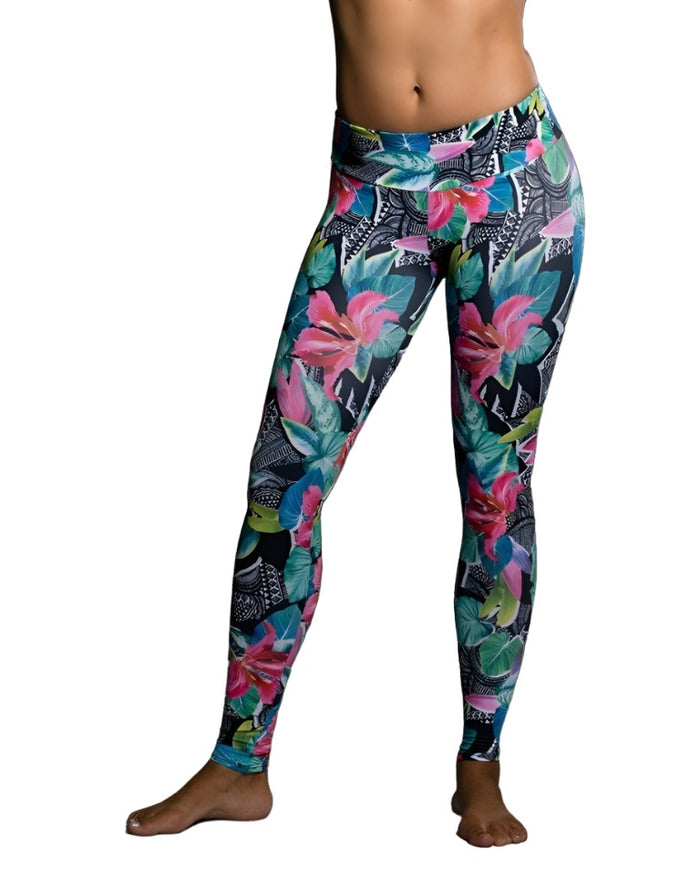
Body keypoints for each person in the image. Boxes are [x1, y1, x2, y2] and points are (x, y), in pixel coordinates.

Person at [126, 0, 585, 847]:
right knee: (283, 479)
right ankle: (240, 761)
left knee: (496, 486)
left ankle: (481, 762)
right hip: (372, 189)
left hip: (516, 179)